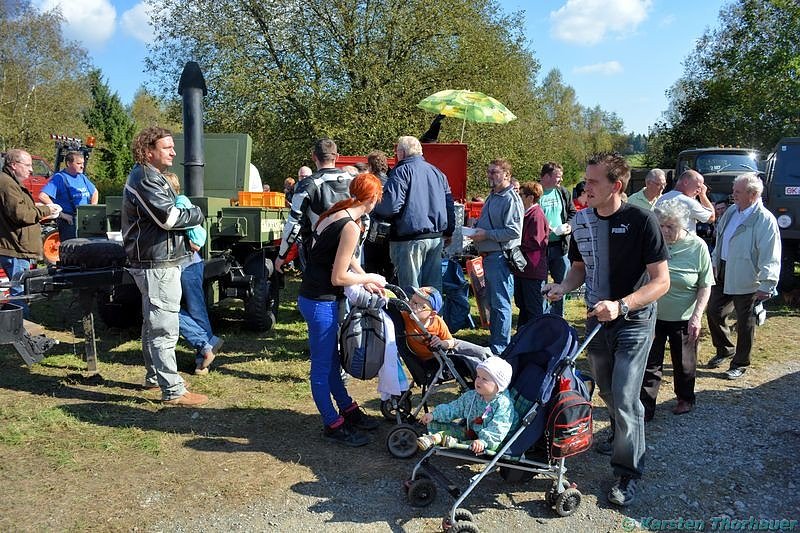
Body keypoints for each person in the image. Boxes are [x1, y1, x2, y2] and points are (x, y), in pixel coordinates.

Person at [544, 152, 670, 507]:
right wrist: (563, 287)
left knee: (627, 397)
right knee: (607, 391)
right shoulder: (581, 221)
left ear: (616, 186)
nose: (586, 187)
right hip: (596, 320)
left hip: (633, 321)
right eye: (586, 179)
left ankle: (627, 472)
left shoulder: (642, 220)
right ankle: (619, 432)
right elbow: (579, 268)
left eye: (595, 181)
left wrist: (623, 305)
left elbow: (661, 282)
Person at [297, 172, 386, 447]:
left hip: (315, 297)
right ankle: (332, 423)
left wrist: (364, 274)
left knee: (332, 359)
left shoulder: (336, 213)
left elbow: (345, 259)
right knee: (323, 366)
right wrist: (370, 278)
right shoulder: (350, 225)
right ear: (372, 199)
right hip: (320, 300)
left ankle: (347, 409)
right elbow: (339, 276)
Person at [122, 127, 208, 407]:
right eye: (167, 147)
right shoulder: (146, 178)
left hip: (155, 260)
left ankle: (154, 378)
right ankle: (172, 390)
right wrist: (196, 212)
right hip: (156, 262)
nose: (173, 152)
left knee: (152, 322)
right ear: (149, 152)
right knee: (164, 326)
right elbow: (169, 219)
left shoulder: (149, 176)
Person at [640, 199, 713, 420]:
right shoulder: (652, 244)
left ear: (682, 225)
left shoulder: (697, 246)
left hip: (684, 316)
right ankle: (646, 406)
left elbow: (705, 284)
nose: (664, 230)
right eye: (660, 225)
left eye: (670, 226)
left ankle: (685, 398)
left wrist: (697, 316)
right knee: (650, 363)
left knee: (684, 362)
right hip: (653, 315)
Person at [706, 173, 781, 380]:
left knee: (745, 321)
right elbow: (720, 239)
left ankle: (739, 363)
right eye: (734, 190)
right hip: (722, 270)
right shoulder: (731, 211)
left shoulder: (764, 219)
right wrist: (713, 262)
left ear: (753, 194)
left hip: (747, 275)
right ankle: (724, 349)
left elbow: (770, 252)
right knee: (713, 311)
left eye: (737, 192)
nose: (732, 195)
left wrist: (767, 283)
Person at [374, 136, 455, 292]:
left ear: (402, 153)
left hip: (409, 240)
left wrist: (375, 209)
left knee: (411, 291)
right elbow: (449, 204)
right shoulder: (437, 172)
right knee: (433, 292)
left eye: (397, 152)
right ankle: (434, 317)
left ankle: (412, 317)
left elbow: (390, 207)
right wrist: (449, 231)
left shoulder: (401, 171)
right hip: (435, 238)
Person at [163, 172, 223, 376]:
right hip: (184, 265)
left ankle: (204, 350)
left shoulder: (179, 204)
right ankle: (206, 349)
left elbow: (195, 237)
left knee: (170, 309)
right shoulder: (178, 203)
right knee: (190, 309)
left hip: (186, 265)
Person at [275, 139, 353, 273]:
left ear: (313, 156)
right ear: (337, 156)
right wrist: (355, 252)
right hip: (348, 252)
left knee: (314, 292)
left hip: (319, 252)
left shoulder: (308, 185)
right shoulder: (353, 180)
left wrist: (282, 255)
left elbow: (294, 224)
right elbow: (365, 220)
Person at [471, 159, 523, 355]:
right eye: (489, 171)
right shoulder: (494, 196)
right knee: (494, 302)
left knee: (500, 303)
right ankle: (496, 343)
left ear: (507, 175)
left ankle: (501, 348)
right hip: (490, 256)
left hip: (501, 257)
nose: (490, 175)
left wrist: (486, 234)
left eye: (495, 172)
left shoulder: (511, 198)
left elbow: (513, 231)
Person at [0, 149, 60, 317]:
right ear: (13, 165)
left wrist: (37, 208)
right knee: (19, 292)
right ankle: (20, 331)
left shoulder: (11, 182)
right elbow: (21, 214)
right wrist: (46, 210)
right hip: (15, 248)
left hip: (16, 246)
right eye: (27, 165)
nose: (31, 169)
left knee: (19, 289)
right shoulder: (7, 183)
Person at [416, 355, 516, 454]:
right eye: (478, 376)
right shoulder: (472, 396)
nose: (478, 381)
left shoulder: (503, 405)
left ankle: (449, 440)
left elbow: (499, 428)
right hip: (472, 431)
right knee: (443, 425)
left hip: (495, 441)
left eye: (484, 379)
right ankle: (436, 438)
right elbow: (454, 408)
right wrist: (435, 414)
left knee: (465, 438)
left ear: (499, 385)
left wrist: (484, 441)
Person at [402, 286, 490, 361]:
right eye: (411, 300)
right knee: (471, 360)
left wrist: (440, 343)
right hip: (432, 359)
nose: (411, 304)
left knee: (482, 353)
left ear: (432, 314)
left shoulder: (438, 322)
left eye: (416, 303)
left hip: (448, 347)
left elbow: (451, 342)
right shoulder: (405, 316)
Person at [538, 161, 576, 317]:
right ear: (546, 177)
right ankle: (541, 317)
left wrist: (568, 225)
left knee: (560, 284)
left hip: (560, 247)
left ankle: (558, 317)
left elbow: (573, 212)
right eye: (558, 177)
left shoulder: (563, 192)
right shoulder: (535, 193)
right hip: (540, 249)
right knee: (540, 285)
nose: (561, 180)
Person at [38, 151, 99, 241]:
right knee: (72, 249)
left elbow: (95, 192)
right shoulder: (59, 178)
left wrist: (92, 209)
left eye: (83, 163)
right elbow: (43, 196)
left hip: (84, 220)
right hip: (69, 221)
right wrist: (61, 214)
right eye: (78, 163)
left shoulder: (82, 177)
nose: (82, 166)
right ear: (68, 163)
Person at [514, 181, 549, 327]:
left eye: (520, 195)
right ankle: (523, 337)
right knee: (523, 307)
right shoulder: (528, 214)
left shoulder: (536, 215)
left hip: (533, 271)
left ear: (530, 197)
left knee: (533, 309)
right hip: (524, 270)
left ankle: (536, 340)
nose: (518, 198)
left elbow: (537, 242)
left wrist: (515, 244)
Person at [363, 150, 394, 279]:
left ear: (370, 166)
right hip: (389, 229)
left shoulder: (369, 182)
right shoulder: (392, 181)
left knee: (371, 265)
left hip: (372, 227)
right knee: (388, 265)